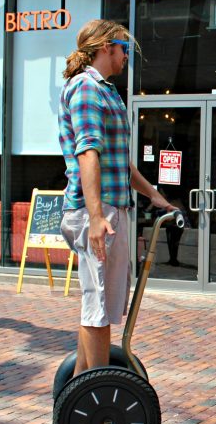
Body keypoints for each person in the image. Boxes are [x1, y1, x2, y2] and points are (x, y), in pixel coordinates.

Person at [58, 19, 175, 380]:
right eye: (124, 48)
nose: (127, 56)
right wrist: (95, 217)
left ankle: (77, 389)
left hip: (111, 207)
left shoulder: (108, 91)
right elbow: (88, 152)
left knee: (101, 305)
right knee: (99, 306)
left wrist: (154, 195)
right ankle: (98, 399)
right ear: (106, 47)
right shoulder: (85, 88)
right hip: (99, 210)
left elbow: (118, 162)